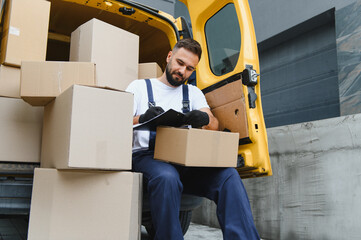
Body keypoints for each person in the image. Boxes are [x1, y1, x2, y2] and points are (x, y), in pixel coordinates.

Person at [126, 38, 260, 240]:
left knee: (229, 177)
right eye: (180, 63)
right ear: (169, 57)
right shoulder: (140, 87)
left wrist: (205, 118)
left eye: (189, 69)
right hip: (147, 159)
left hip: (185, 161)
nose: (183, 71)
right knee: (167, 176)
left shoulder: (193, 93)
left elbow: (214, 124)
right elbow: (117, 120)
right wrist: (142, 118)